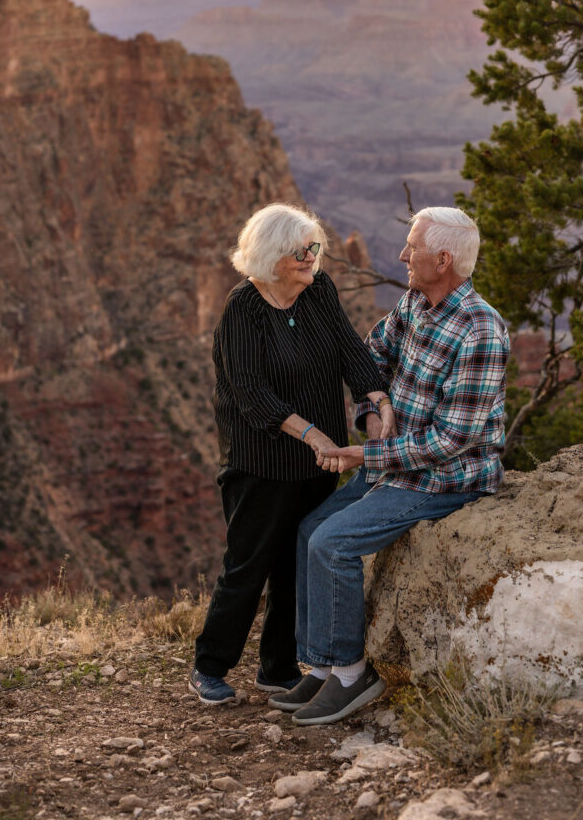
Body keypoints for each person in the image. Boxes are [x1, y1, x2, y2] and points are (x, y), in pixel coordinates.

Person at [269, 206, 509, 725]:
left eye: (412, 247)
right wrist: (374, 408)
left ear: (442, 259)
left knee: (334, 544)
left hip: (445, 480)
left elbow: (453, 439)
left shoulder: (481, 330)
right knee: (311, 528)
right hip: (396, 466)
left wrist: (366, 453)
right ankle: (324, 665)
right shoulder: (415, 303)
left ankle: (355, 676)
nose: (401, 255)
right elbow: (370, 356)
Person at [189, 203, 393, 705]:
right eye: (299, 251)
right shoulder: (243, 310)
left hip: (317, 461)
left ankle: (277, 668)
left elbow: (350, 349)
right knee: (249, 564)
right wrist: (314, 435)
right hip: (259, 462)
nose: (310, 257)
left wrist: (377, 398)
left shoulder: (318, 290)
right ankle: (209, 666)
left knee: (297, 562)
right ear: (270, 255)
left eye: (314, 247)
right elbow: (251, 393)